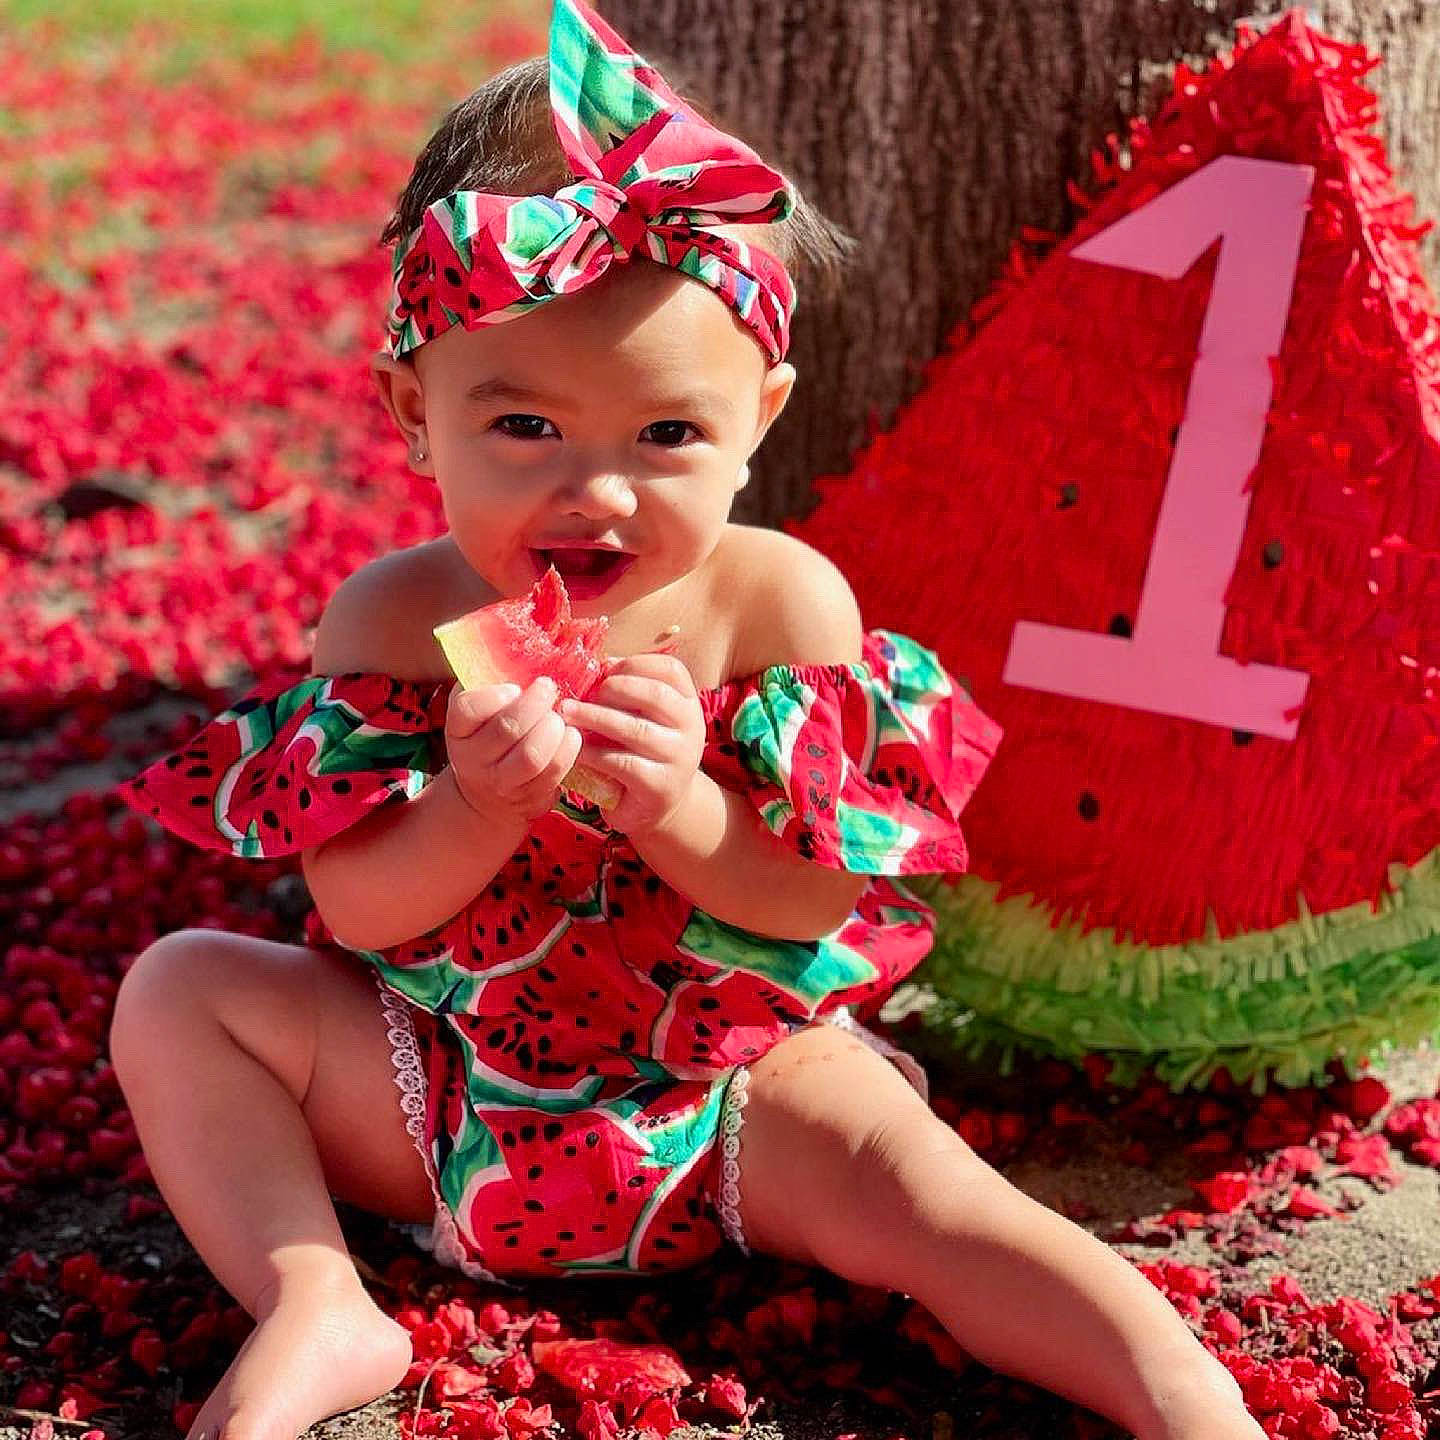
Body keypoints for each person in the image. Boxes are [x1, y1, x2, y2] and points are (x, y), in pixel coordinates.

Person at [110, 3, 1266, 1438]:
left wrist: (686, 810)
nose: (596, 491)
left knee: (933, 1196)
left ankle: (1179, 1390)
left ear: (761, 415)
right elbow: (357, 910)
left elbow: (813, 902)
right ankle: (316, 1298)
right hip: (439, 1089)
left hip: (737, 1094)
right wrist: (474, 812)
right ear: (415, 411)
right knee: (179, 993)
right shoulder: (393, 624)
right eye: (523, 428)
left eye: (665, 438)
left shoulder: (783, 608)